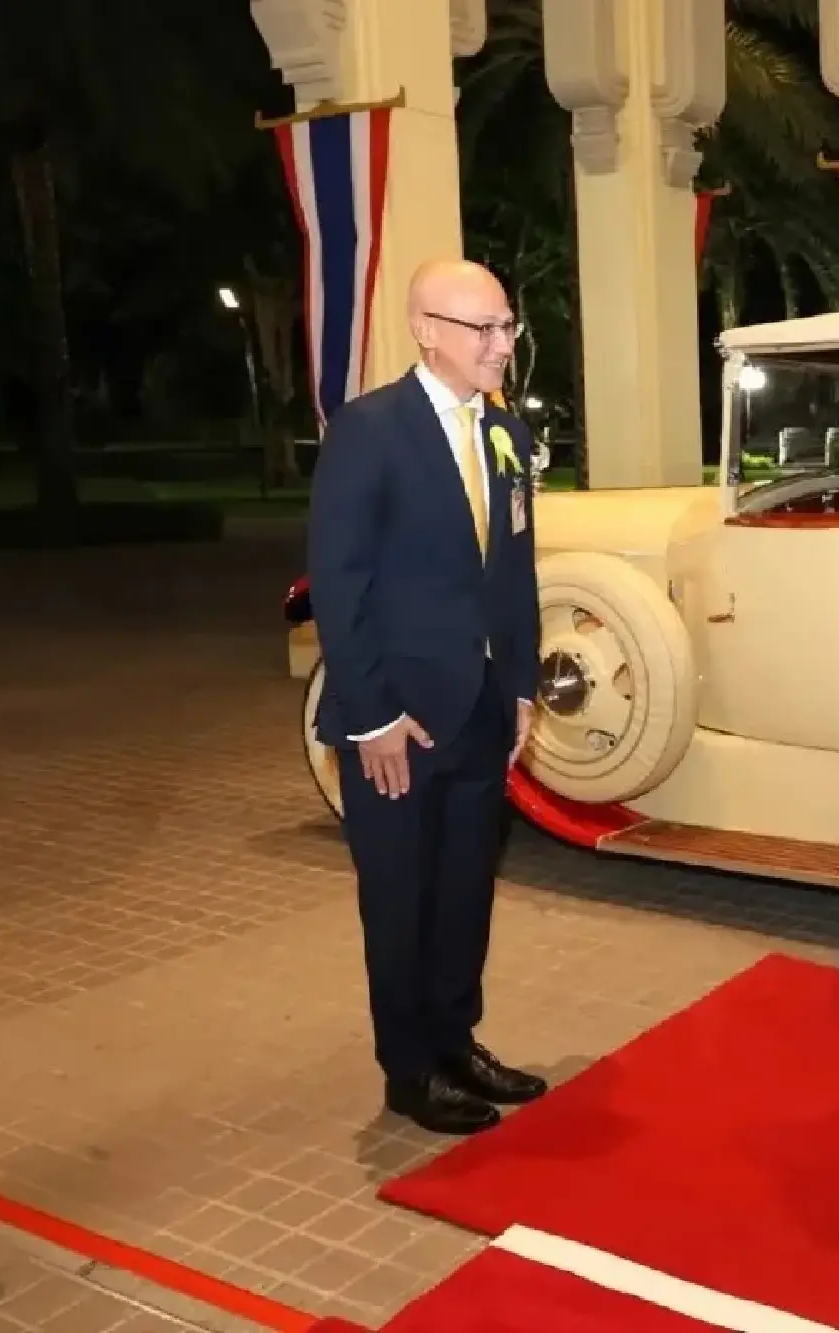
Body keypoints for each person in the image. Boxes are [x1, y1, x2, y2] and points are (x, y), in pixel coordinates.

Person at [307, 260, 548, 1136]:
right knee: (401, 899)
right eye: (482, 328)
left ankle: (456, 1039)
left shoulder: (507, 434)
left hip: (481, 709)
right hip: (396, 722)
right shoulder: (371, 431)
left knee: (462, 891)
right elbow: (340, 584)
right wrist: (368, 715)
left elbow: (514, 570)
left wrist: (520, 684)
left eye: (508, 326)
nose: (502, 345)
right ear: (426, 330)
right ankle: (408, 1070)